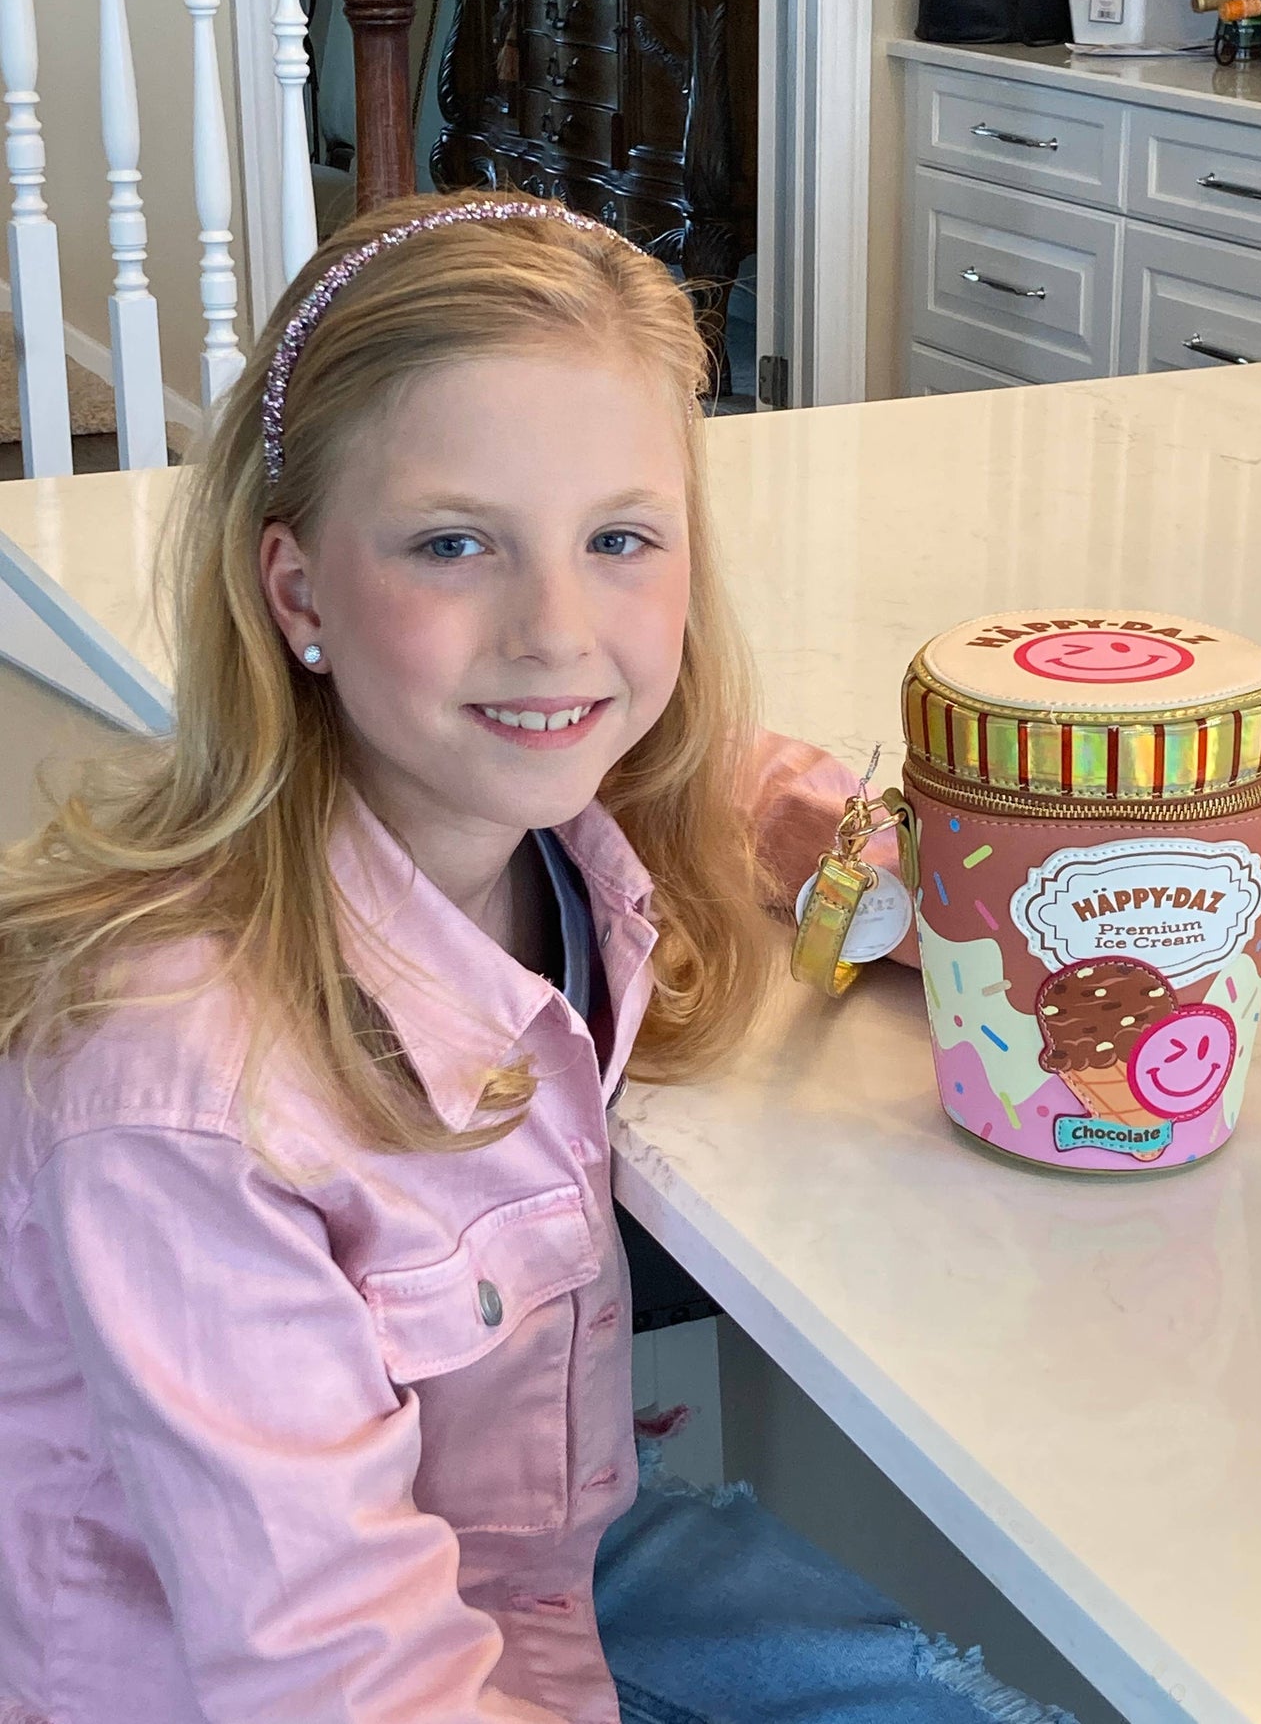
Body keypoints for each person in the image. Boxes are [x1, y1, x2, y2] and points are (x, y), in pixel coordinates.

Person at [0, 197, 1064, 1724]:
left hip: (530, 1542)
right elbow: (342, 1681)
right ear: (296, 593)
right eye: (454, 545)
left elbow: (723, 773)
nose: (559, 632)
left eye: (619, 539)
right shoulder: (183, 1091)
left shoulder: (528, 796)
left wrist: (943, 895)